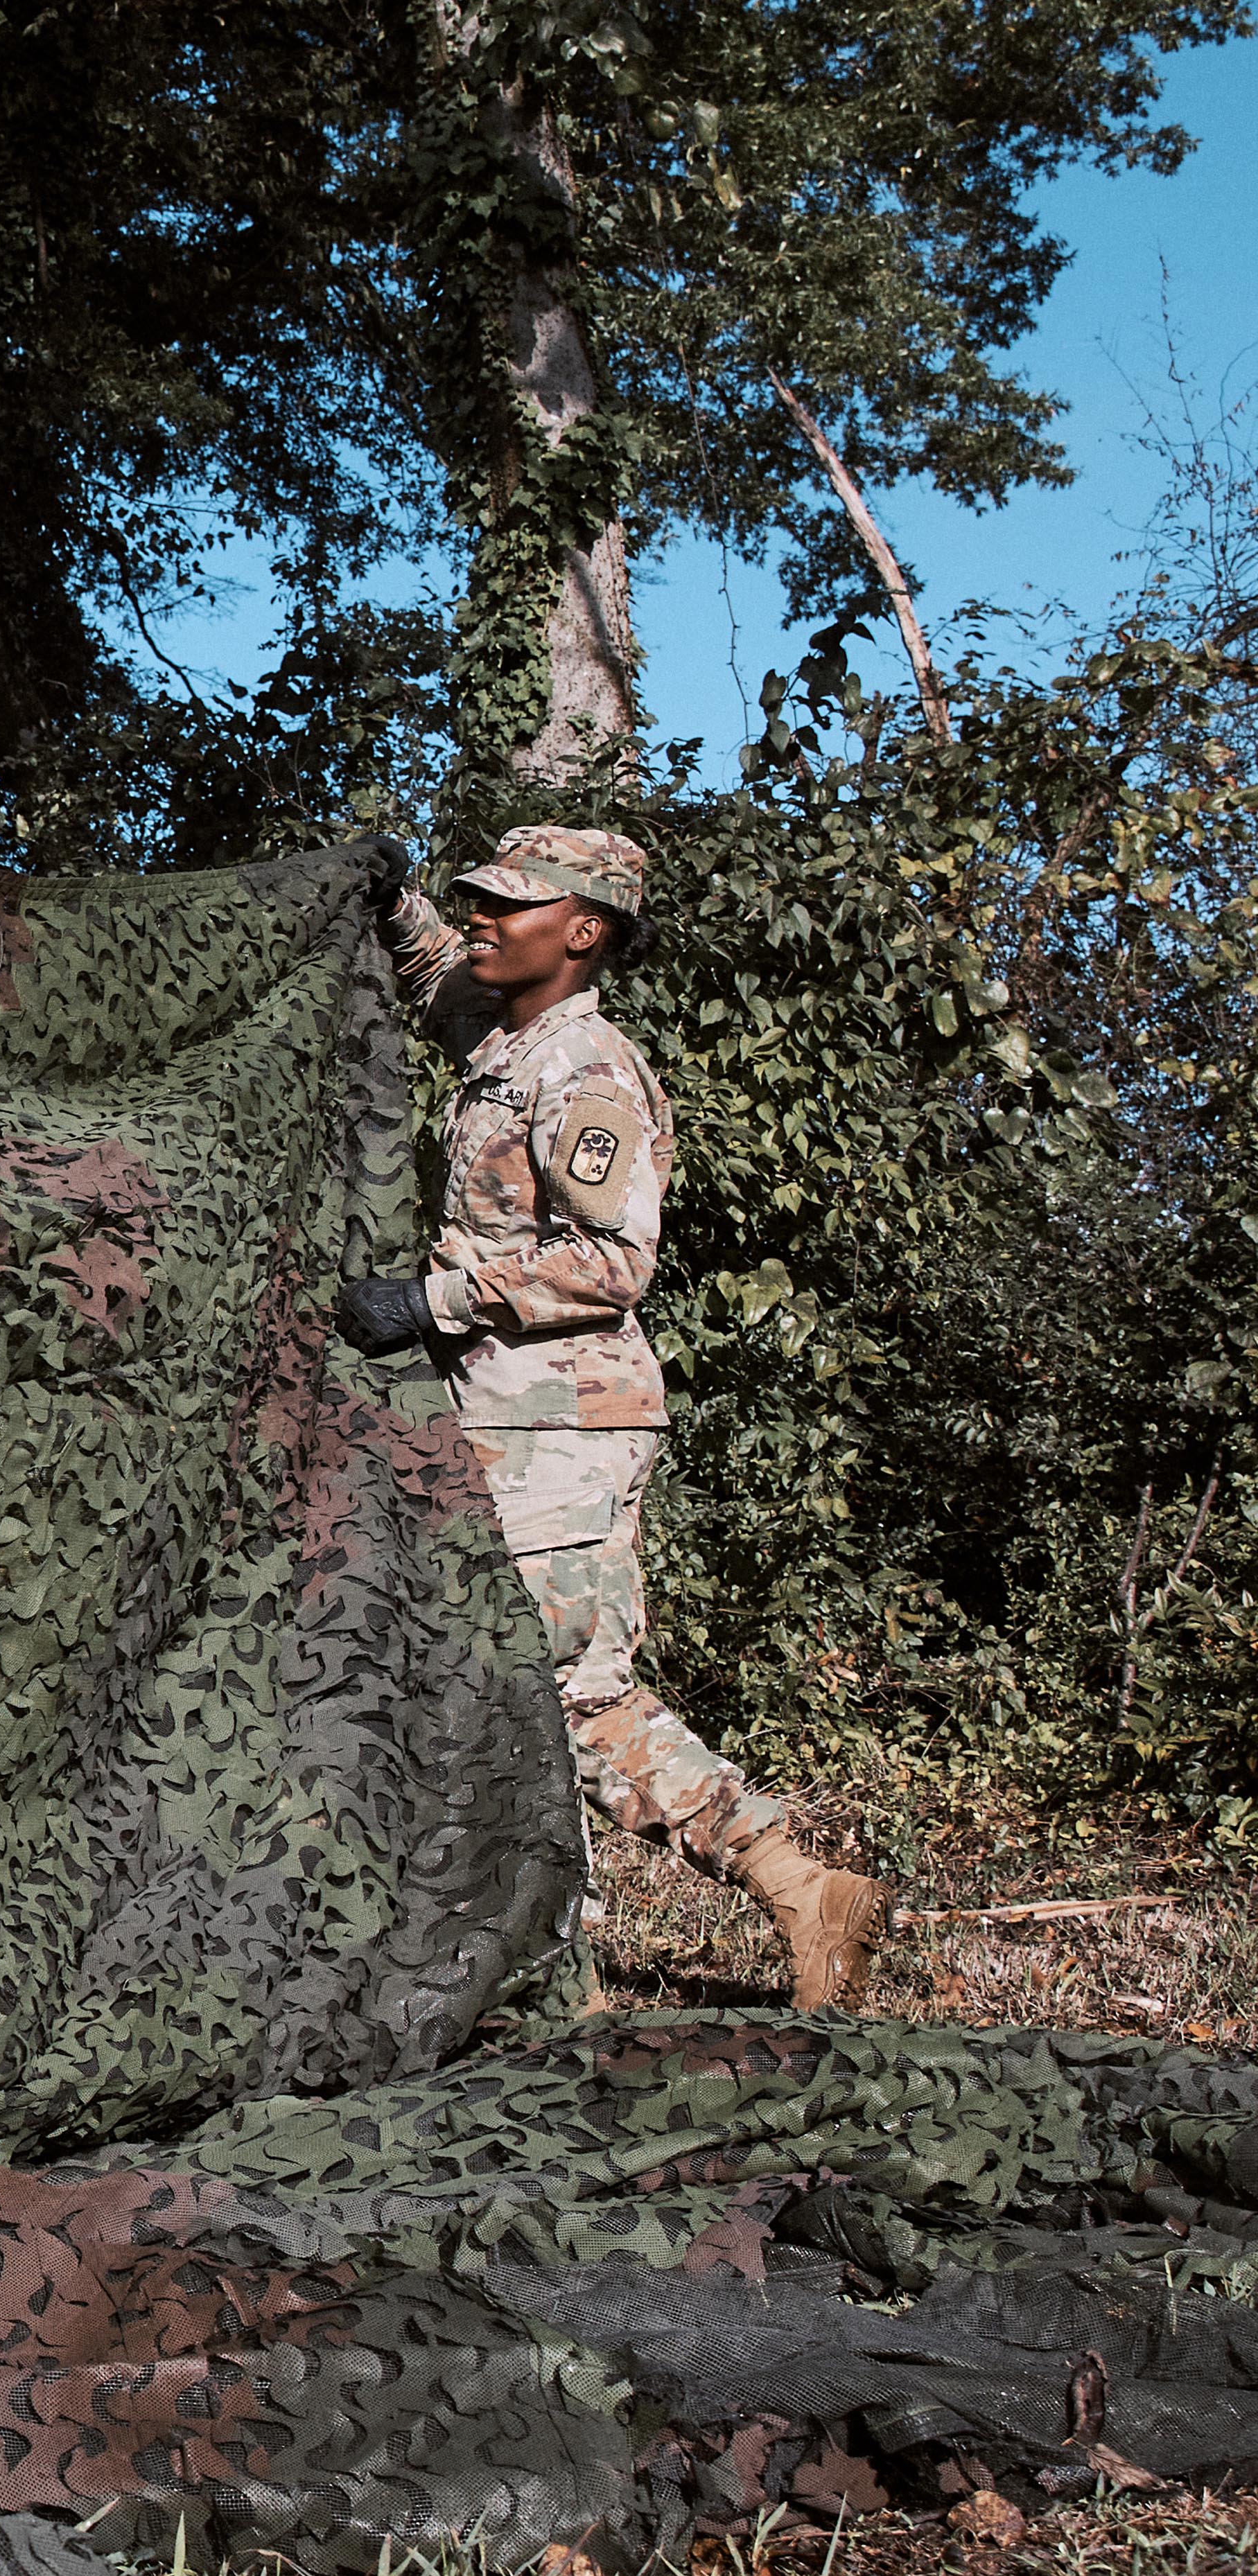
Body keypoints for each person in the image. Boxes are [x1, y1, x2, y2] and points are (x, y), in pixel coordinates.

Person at [340, 824, 891, 2012]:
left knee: (563, 1693)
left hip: (564, 1420)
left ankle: (796, 1883)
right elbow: (438, 969)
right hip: (509, 1413)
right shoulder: (505, 1031)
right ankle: (556, 1954)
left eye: (513, 904)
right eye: (479, 899)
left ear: (583, 932)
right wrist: (393, 904)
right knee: (511, 1678)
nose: (484, 917)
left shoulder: (584, 1070)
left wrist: (431, 1300)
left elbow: (610, 1262)